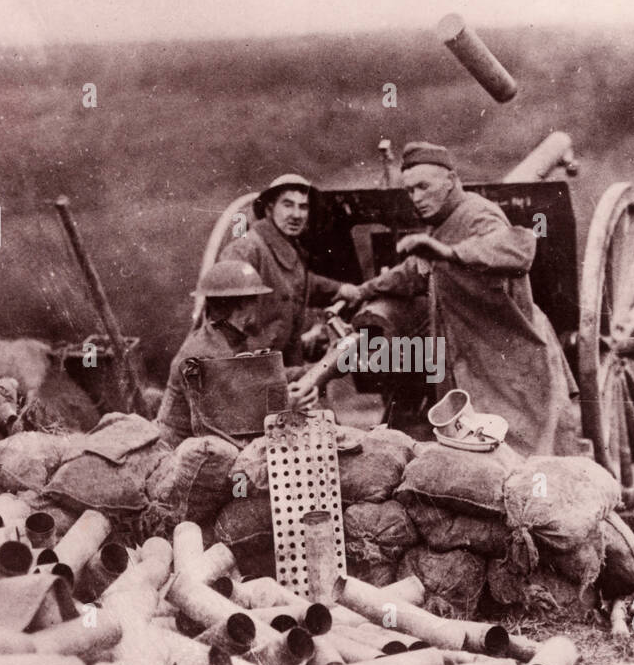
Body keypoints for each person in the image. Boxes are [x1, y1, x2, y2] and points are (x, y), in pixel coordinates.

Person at [341, 141, 584, 458]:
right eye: (410, 190)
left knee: (526, 458)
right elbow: (413, 271)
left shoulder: (479, 215)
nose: (416, 198)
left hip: (512, 362)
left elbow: (517, 250)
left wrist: (450, 253)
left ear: (451, 180)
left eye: (423, 187)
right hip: (471, 363)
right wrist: (365, 290)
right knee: (483, 459)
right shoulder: (442, 225)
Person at [157, 259, 317, 447]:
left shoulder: (228, 339)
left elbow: (261, 376)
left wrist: (309, 371)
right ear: (242, 304)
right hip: (186, 455)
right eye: (255, 298)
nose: (259, 304)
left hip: (209, 448)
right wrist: (286, 406)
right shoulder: (204, 355)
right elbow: (229, 424)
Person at [220, 173, 345, 366]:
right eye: (288, 205)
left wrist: (340, 290)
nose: (297, 215)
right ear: (270, 208)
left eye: (303, 207)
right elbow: (224, 324)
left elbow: (300, 281)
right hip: (247, 368)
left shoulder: (289, 249)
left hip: (279, 365)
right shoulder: (246, 250)